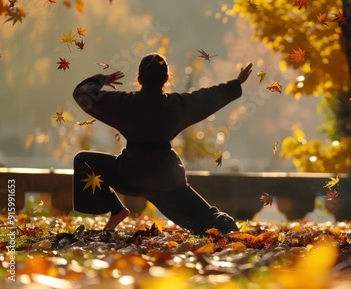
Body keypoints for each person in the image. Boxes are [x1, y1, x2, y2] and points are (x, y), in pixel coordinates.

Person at [72, 53, 253, 235]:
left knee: (83, 161)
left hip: (130, 174)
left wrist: (100, 79)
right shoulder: (176, 105)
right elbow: (206, 97)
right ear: (166, 79)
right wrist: (235, 84)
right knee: (209, 220)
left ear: (139, 79)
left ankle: (116, 209)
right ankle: (233, 233)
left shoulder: (126, 103)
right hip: (165, 180)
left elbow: (82, 94)